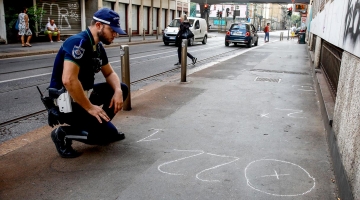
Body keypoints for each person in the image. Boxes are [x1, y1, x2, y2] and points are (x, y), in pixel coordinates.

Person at [48, 8, 128, 158]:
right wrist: (90, 108)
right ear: (98, 25)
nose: (115, 35)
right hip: (68, 102)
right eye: (112, 30)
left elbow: (109, 73)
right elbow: (69, 80)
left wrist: (117, 91)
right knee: (99, 137)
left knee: (122, 88)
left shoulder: (97, 46)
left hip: (86, 96)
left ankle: (98, 126)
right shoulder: (78, 42)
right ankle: (63, 134)